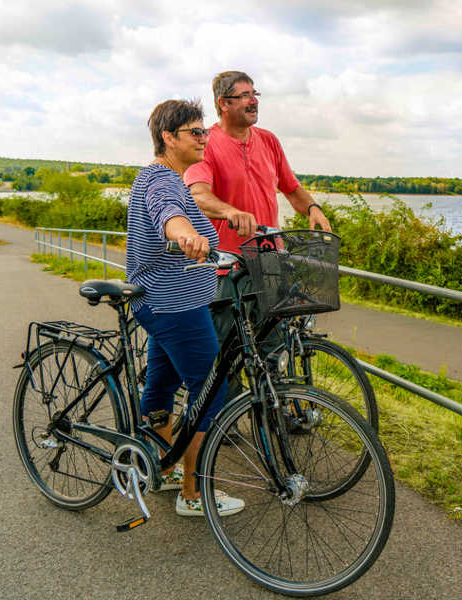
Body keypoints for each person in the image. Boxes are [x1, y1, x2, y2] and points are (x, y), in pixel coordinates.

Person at [126, 98, 243, 517]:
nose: (204, 138)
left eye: (204, 131)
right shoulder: (160, 180)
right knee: (210, 390)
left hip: (166, 302)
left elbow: (181, 211)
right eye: (195, 132)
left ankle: (162, 465)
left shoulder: (175, 177)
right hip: (173, 305)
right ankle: (193, 493)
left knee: (160, 385)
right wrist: (184, 236)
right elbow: (168, 215)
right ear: (168, 137)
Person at [184, 70, 331, 251]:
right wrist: (231, 212)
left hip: (270, 258)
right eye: (245, 95)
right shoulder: (204, 143)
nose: (254, 101)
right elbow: (198, 196)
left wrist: (313, 208)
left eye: (255, 94)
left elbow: (292, 190)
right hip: (226, 263)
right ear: (223, 104)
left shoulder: (269, 140)